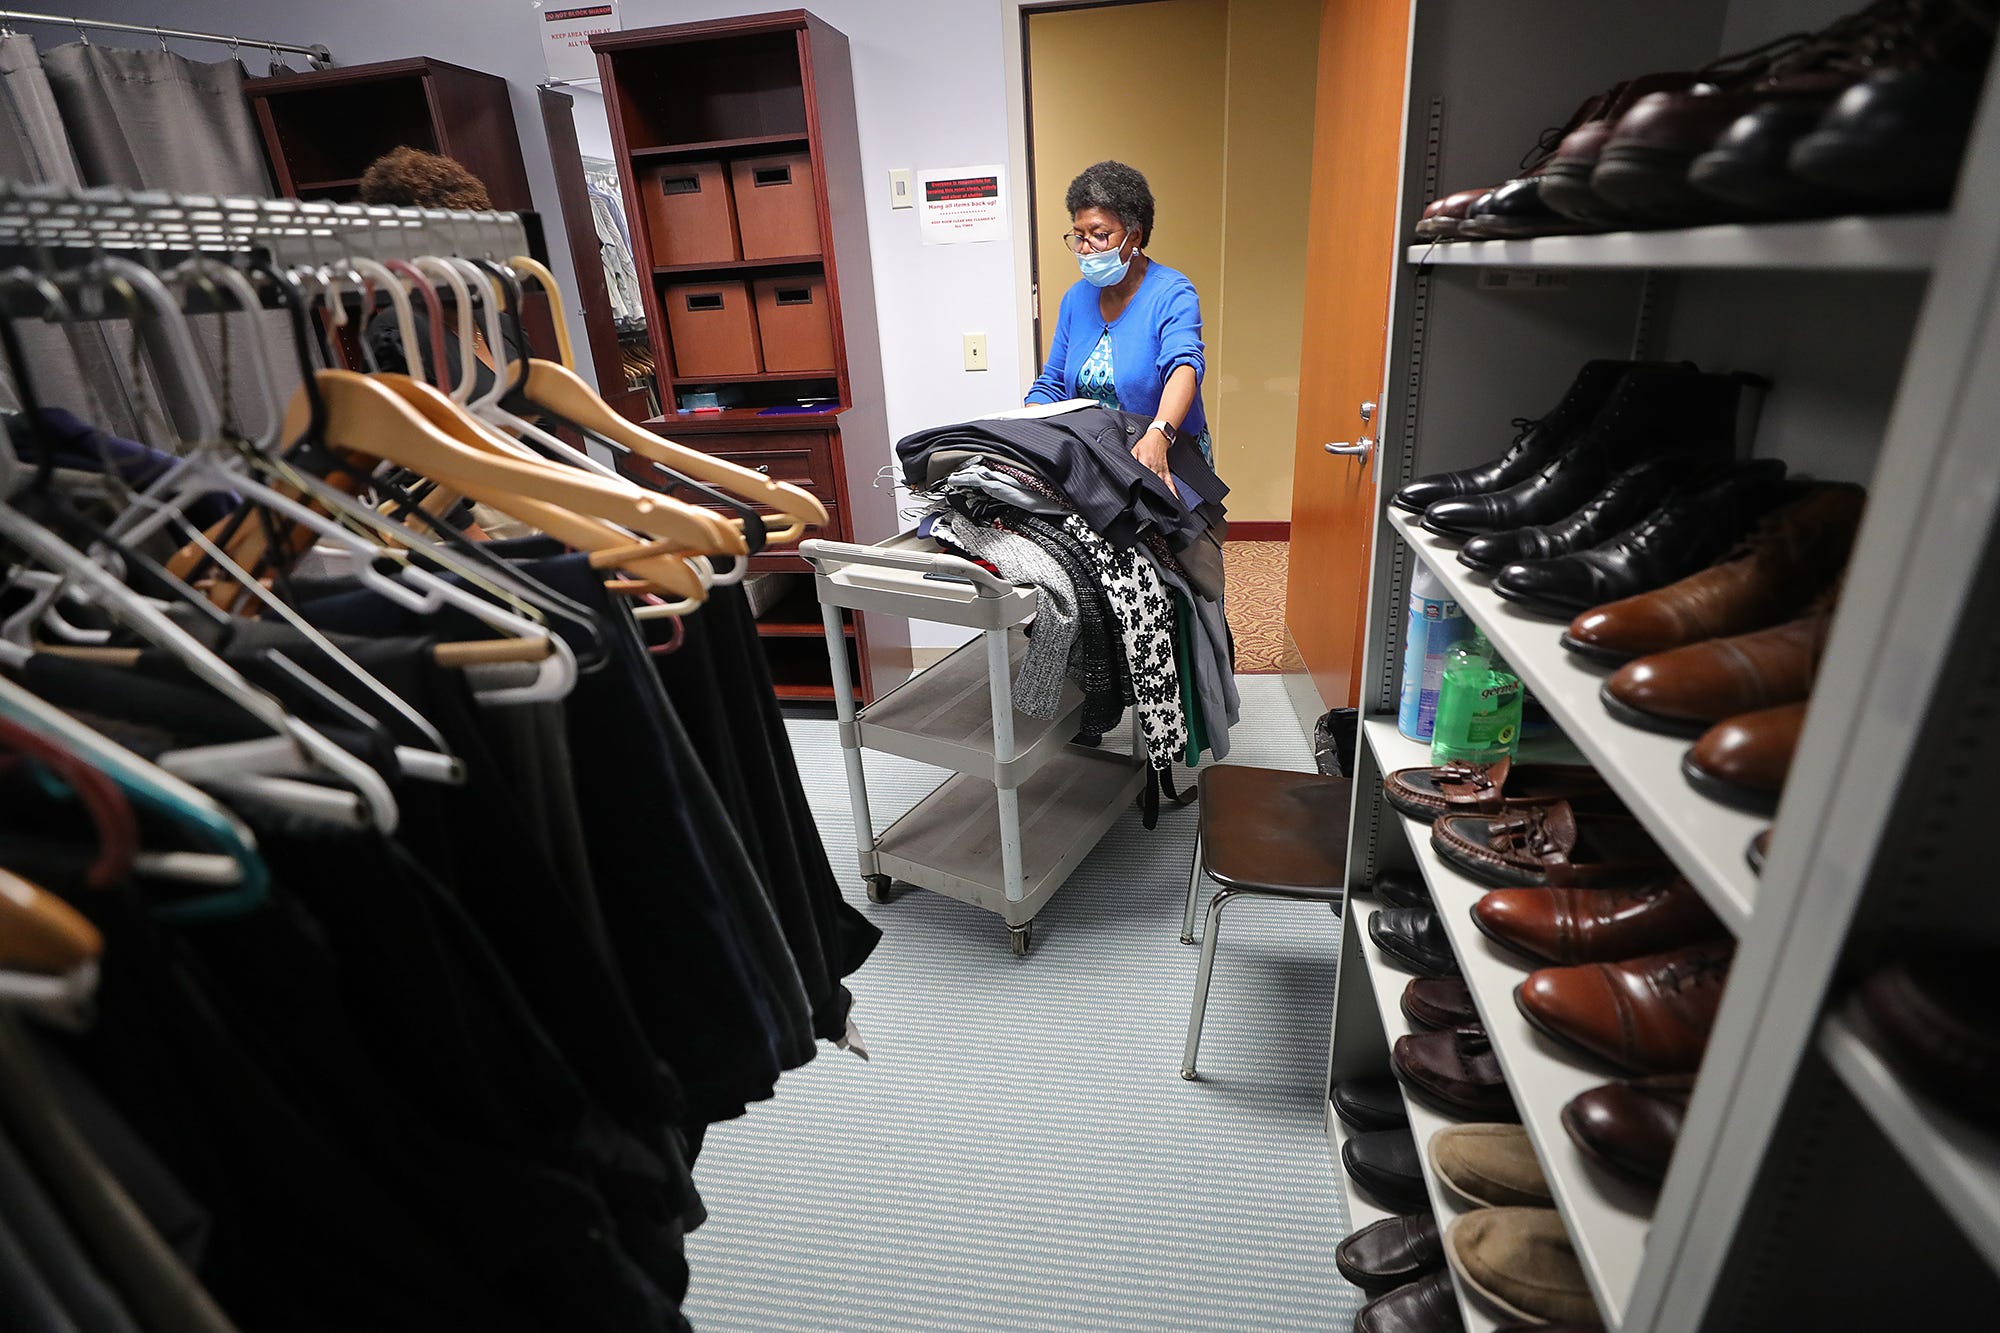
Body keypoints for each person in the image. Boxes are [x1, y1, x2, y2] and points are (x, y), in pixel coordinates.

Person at [1025, 160, 1211, 498]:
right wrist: (1023, 429)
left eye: (1099, 235)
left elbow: (1184, 366)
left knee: (1180, 547)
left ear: (1135, 235)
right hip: (1097, 458)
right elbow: (1052, 384)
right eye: (1079, 236)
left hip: (1167, 450)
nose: (1085, 249)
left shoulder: (1171, 292)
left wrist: (1160, 433)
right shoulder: (1075, 300)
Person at [355, 146, 519, 395]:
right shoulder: (399, 332)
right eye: (455, 247)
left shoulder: (498, 321)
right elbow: (410, 431)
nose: (471, 258)